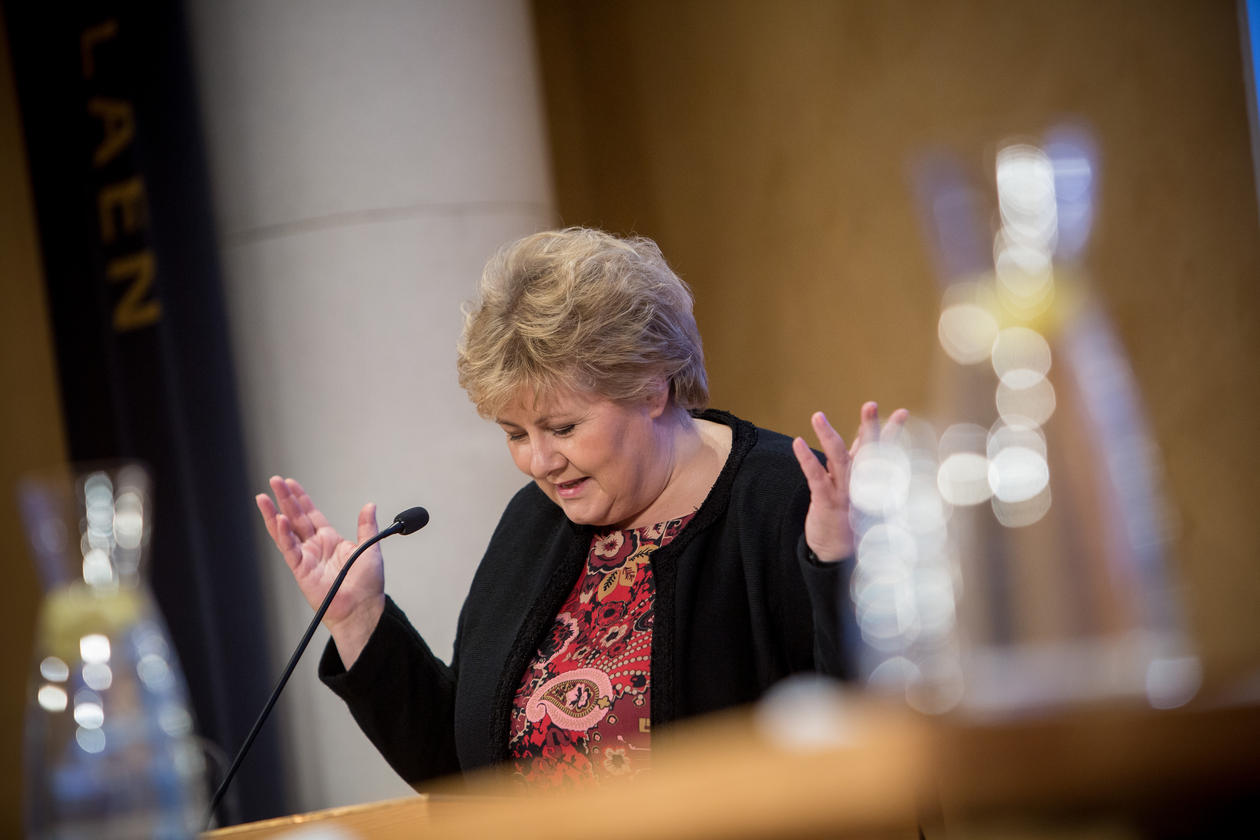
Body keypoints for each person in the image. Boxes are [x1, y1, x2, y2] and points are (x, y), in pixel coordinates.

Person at [255, 227, 906, 787]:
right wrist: (360, 620)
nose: (540, 461)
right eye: (515, 434)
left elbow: (875, 739)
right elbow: (461, 769)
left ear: (651, 387)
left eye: (563, 428)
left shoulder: (787, 499)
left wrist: (837, 565)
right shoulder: (534, 522)